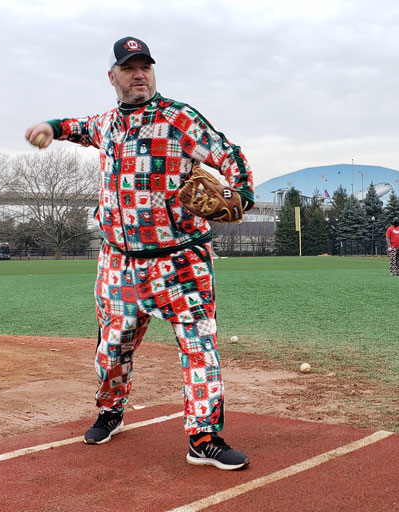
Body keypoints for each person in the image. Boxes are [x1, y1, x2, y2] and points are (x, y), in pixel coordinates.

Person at [24, 36, 254, 470]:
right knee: (112, 351)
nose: (139, 74)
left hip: (179, 260)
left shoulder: (179, 120)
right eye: (129, 68)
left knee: (200, 346)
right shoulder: (107, 123)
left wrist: (240, 192)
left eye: (145, 66)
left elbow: (230, 155)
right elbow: (78, 126)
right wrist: (52, 128)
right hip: (118, 264)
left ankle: (204, 437)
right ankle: (110, 411)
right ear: (113, 77)